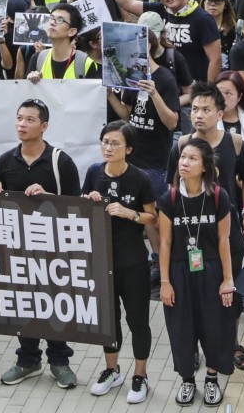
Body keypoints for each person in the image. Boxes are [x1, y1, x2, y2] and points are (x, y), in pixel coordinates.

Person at [0, 98, 81, 389]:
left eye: (29, 120)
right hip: (17, 247)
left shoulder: (60, 161)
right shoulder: (5, 161)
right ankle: (28, 360)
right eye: (19, 118)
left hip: (54, 248)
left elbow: (77, 206)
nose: (22, 124)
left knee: (55, 304)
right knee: (24, 304)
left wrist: (48, 197)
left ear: (44, 126)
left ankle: (60, 362)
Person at [157, 136, 236, 407]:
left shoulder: (218, 196)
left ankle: (212, 379)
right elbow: (165, 243)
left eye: (192, 159)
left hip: (211, 268)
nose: (185, 163)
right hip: (179, 271)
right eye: (183, 157)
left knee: (214, 326)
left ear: (204, 166)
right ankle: (187, 380)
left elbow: (224, 240)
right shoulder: (169, 198)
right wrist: (165, 281)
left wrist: (227, 279)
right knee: (181, 328)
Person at [82, 121, 156, 404]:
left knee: (137, 321)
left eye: (115, 143)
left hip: (133, 260)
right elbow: (81, 207)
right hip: (102, 260)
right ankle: (112, 370)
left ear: (129, 149)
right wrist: (89, 200)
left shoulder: (140, 178)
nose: (108, 148)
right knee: (108, 320)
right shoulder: (93, 172)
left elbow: (152, 217)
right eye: (105, 142)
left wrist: (129, 213)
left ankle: (141, 375)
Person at [26, 3, 99, 80]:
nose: (52, 22)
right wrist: (29, 82)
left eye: (60, 20)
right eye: (51, 18)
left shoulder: (85, 64)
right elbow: (26, 87)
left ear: (72, 31)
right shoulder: (37, 59)